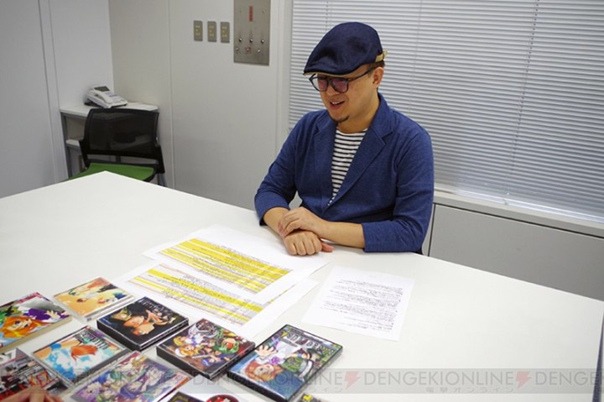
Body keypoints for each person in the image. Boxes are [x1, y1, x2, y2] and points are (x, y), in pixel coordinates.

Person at [254, 22, 434, 255]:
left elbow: (410, 231)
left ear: (376, 77)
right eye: (322, 80)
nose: (330, 93)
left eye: (342, 82)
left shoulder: (411, 141)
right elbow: (269, 191)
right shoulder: (308, 127)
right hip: (310, 257)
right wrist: (291, 229)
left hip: (374, 262)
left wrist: (322, 227)